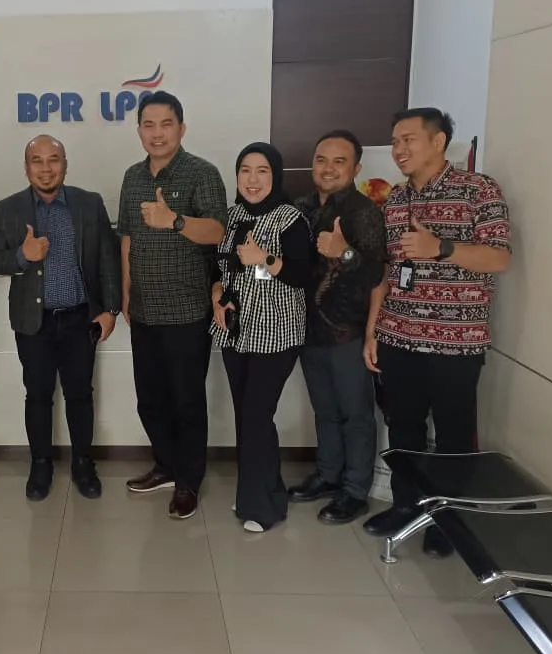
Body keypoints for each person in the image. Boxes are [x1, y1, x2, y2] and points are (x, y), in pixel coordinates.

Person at [361, 108, 511, 557]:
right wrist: (373, 330)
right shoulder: (396, 200)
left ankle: (448, 521)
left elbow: (499, 258)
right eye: (394, 141)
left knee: (452, 437)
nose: (398, 149)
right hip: (398, 336)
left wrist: (441, 247)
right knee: (403, 429)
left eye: (408, 139)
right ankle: (407, 507)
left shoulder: (478, 190)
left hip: (455, 341)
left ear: (439, 141)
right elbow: (388, 271)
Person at [0, 135, 122, 500]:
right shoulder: (7, 208)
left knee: (80, 395)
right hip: (34, 322)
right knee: (38, 395)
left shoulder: (89, 203)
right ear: (26, 167)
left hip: (79, 320)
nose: (46, 169)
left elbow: (107, 258)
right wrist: (22, 255)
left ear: (65, 164)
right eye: (37, 161)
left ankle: (83, 464)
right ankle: (40, 464)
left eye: (53, 160)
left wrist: (111, 309)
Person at [118, 91, 228, 520]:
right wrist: (126, 291)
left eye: (166, 124)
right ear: (139, 130)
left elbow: (218, 231)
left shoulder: (202, 173)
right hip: (143, 309)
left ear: (181, 128)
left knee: (186, 402)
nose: (157, 133)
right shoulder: (132, 176)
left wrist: (175, 220)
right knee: (149, 399)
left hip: (186, 309)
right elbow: (128, 236)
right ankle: (165, 466)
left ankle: (188, 481)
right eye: (149, 125)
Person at [211, 143, 313, 532]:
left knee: (255, 416)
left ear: (276, 176)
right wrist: (217, 296)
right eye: (245, 170)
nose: (252, 180)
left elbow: (303, 275)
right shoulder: (231, 215)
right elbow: (218, 269)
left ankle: (259, 508)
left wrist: (266, 260)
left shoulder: (290, 219)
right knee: (249, 416)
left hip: (276, 332)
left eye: (262, 171)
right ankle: (264, 493)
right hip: (236, 330)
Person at [290, 130, 386, 524]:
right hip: (308, 330)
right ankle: (328, 475)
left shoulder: (363, 212)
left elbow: (378, 274)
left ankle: (355, 490)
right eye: (321, 160)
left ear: (356, 168)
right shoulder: (300, 207)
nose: (328, 168)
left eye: (339, 161)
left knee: (356, 414)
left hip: (348, 331)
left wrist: (343, 252)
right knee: (325, 410)